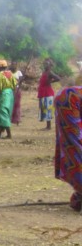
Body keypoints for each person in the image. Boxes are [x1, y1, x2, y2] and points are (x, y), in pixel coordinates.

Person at [54, 84, 82, 212]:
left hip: (67, 98)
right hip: (70, 100)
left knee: (74, 146)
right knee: (75, 147)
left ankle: (79, 195)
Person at [0, 59, 15, 139]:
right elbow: (14, 85)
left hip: (3, 94)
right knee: (6, 112)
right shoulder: (10, 74)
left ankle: (9, 134)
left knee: (2, 112)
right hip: (10, 94)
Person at [37, 58, 60, 130]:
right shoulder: (45, 72)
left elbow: (58, 78)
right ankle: (47, 126)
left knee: (48, 109)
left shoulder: (50, 72)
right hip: (43, 92)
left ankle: (48, 126)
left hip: (48, 92)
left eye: (46, 64)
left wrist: (51, 82)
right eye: (44, 64)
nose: (45, 65)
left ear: (49, 65)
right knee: (44, 108)